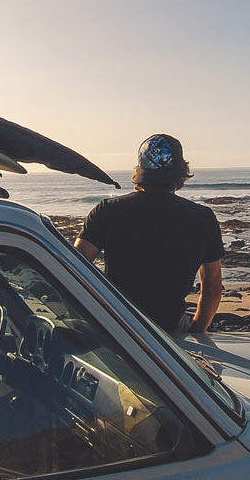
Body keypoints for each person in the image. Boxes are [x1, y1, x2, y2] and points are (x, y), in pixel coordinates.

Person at [75, 133, 224, 336]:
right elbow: (213, 287)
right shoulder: (202, 218)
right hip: (170, 328)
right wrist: (197, 331)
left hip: (117, 324)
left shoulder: (107, 210)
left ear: (139, 170)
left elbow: (75, 267)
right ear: (182, 172)